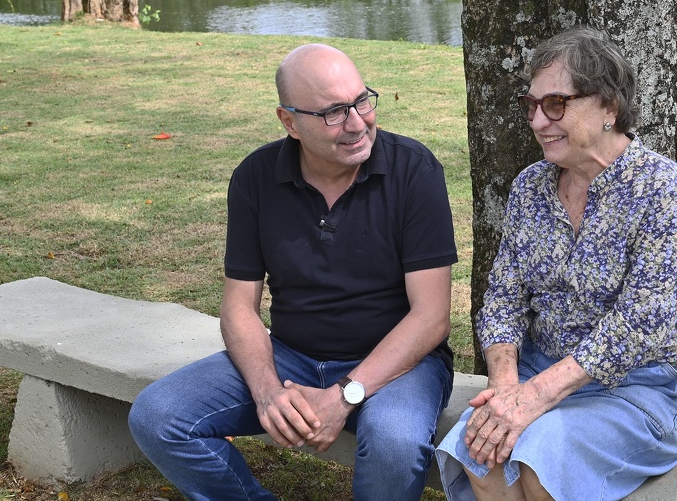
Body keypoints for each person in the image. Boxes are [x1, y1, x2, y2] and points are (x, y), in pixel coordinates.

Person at [129, 43, 458, 501]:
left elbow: (431, 317)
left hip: (400, 365)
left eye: (362, 101)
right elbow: (239, 307)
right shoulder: (256, 177)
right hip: (290, 356)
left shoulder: (414, 170)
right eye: (334, 112)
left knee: (394, 443)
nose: (359, 122)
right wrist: (265, 391)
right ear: (290, 121)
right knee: (158, 415)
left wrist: (344, 395)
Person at [435, 27, 677, 501]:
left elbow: (640, 325)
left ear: (610, 108)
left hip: (644, 385)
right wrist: (504, 389)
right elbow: (502, 297)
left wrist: (532, 398)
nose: (539, 121)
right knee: (478, 450)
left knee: (540, 462)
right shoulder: (531, 187)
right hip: (539, 372)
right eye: (533, 105)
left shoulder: (665, 192)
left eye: (556, 104)